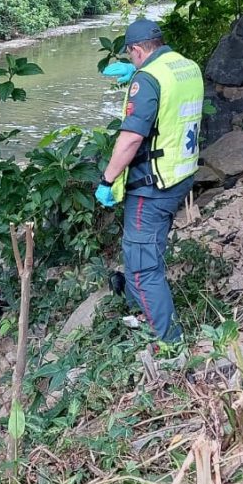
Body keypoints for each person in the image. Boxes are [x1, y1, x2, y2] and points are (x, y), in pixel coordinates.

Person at [95, 19, 204, 346]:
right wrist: (138, 78)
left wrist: (107, 178)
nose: (132, 64)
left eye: (131, 58)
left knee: (142, 268)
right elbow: (173, 105)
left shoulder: (149, 79)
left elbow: (130, 139)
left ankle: (171, 343)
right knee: (147, 249)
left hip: (153, 185)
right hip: (182, 175)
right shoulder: (186, 66)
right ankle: (143, 309)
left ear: (137, 50)